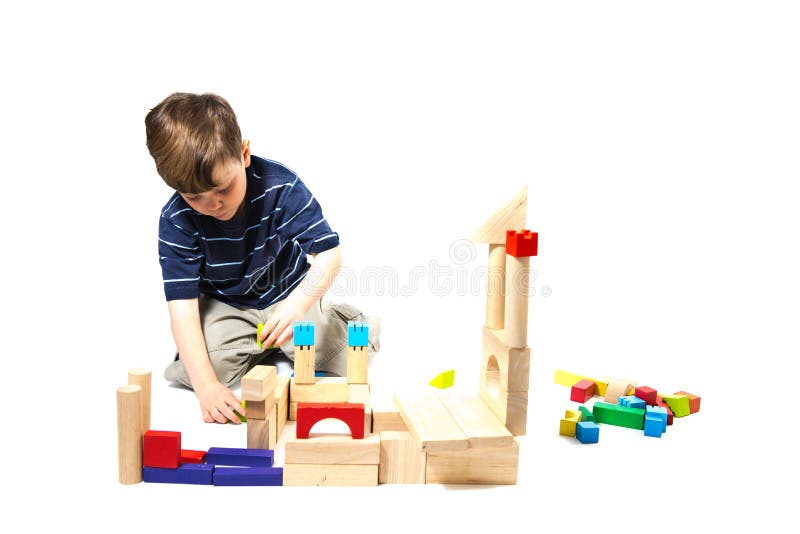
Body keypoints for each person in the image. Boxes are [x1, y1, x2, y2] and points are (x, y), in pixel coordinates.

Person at [145, 92, 380, 424]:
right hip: (226, 303)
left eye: (223, 189)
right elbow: (182, 308)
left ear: (244, 154)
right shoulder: (176, 220)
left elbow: (329, 255)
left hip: (288, 291)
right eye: (195, 197)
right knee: (208, 369)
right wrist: (207, 386)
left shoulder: (279, 187)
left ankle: (342, 320)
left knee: (343, 355)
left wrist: (298, 305)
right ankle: (258, 346)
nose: (214, 205)